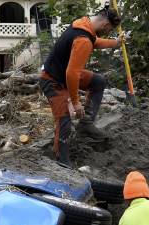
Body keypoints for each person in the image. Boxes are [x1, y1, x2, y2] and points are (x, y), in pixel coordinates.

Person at [39, 5, 123, 167]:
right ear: (105, 25)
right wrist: (75, 102)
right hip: (53, 80)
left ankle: (85, 124)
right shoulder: (83, 39)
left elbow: (95, 41)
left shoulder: (83, 23)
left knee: (98, 81)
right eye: (109, 31)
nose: (107, 33)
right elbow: (72, 74)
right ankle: (62, 162)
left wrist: (115, 43)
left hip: (62, 73)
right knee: (64, 120)